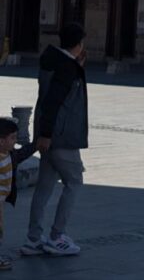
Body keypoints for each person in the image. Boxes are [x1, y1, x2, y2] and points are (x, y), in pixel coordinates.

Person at [21, 21, 88, 258]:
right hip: (61, 136)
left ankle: (33, 239)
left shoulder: (51, 61)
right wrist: (48, 134)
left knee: (45, 186)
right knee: (74, 182)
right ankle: (57, 236)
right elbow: (55, 102)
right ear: (79, 44)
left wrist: (43, 133)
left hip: (48, 134)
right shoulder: (66, 68)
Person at [0, 116, 37, 270]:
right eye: (12, 138)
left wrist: (36, 144)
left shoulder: (10, 155)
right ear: (1, 141)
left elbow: (22, 154)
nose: (15, 141)